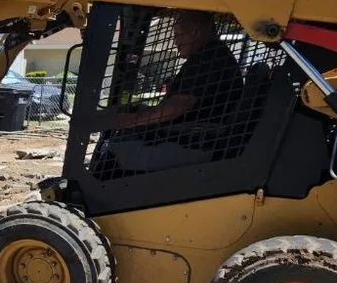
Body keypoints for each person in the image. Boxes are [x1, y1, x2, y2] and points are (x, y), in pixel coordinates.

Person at [100, 10, 245, 172]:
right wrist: (139, 112)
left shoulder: (207, 60)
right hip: (194, 134)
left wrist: (132, 120)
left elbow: (176, 108)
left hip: (198, 141)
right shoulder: (213, 55)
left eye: (178, 35)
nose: (176, 42)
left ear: (196, 32)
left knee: (114, 156)